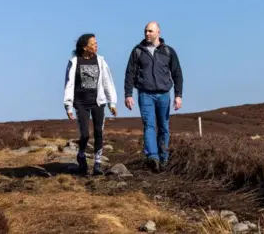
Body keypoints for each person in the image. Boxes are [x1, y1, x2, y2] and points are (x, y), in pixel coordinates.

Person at [124, 21, 183, 173]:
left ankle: (164, 158)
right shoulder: (137, 51)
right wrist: (128, 94)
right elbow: (130, 73)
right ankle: (153, 157)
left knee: (163, 126)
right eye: (145, 31)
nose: (147, 34)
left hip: (164, 94)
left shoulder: (168, 51)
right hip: (145, 94)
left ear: (158, 32)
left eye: (150, 31)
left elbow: (177, 73)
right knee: (149, 125)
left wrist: (178, 95)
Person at [63, 33, 118, 175]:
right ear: (84, 47)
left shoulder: (100, 61)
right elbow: (69, 84)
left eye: (96, 43)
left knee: (99, 132)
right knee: (85, 135)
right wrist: (68, 105)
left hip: (98, 102)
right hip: (80, 103)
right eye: (93, 43)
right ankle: (81, 155)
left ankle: (97, 163)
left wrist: (112, 102)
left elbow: (107, 81)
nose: (96, 45)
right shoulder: (75, 62)